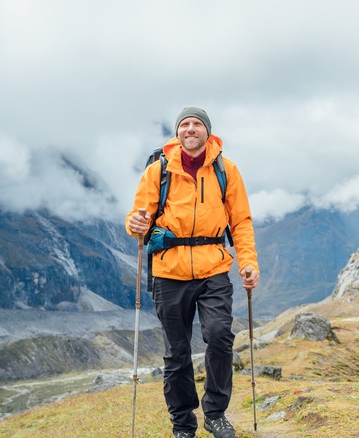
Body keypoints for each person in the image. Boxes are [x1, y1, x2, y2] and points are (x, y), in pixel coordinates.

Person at [126, 107, 259, 438]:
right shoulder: (159, 170)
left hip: (213, 267)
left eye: (197, 124)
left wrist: (248, 261)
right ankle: (182, 424)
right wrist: (134, 224)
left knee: (219, 336)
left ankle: (215, 413)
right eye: (184, 124)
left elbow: (240, 221)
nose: (190, 128)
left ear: (207, 132)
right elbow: (138, 219)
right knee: (176, 352)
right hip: (168, 272)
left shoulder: (226, 170)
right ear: (177, 132)